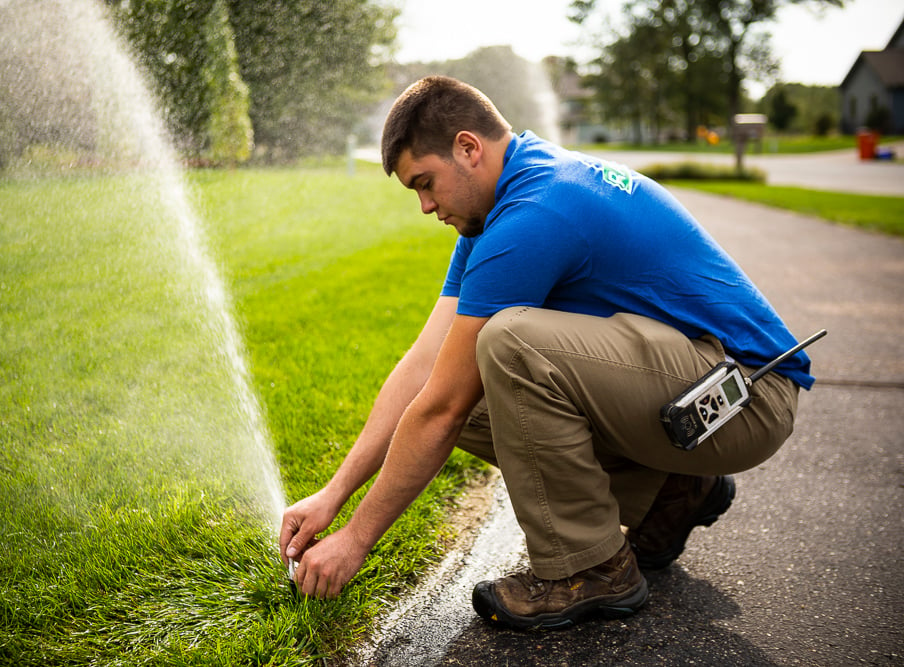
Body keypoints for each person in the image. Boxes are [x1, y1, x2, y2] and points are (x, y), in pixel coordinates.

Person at [279, 76, 812, 630]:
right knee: (460, 381)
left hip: (746, 398)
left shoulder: (535, 212)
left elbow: (441, 409)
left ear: (468, 148)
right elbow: (423, 370)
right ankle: (670, 493)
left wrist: (355, 541)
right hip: (694, 393)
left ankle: (590, 569)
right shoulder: (497, 210)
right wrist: (333, 495)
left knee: (508, 344)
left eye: (426, 182)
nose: (425, 205)